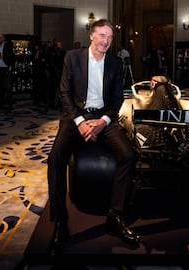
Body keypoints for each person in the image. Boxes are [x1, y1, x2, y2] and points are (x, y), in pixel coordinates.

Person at [47, 18, 141, 257]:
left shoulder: (115, 63)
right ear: (91, 36)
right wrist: (79, 122)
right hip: (75, 117)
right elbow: (64, 93)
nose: (106, 41)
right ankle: (60, 222)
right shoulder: (73, 57)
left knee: (129, 154)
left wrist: (103, 122)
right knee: (55, 159)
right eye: (102, 36)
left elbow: (117, 99)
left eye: (109, 37)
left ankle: (115, 215)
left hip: (103, 118)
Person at [0, 33, 15, 110]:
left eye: (1, 37)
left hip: (6, 68)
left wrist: (10, 66)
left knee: (8, 87)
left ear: (4, 38)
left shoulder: (8, 46)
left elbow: (12, 57)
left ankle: (10, 104)